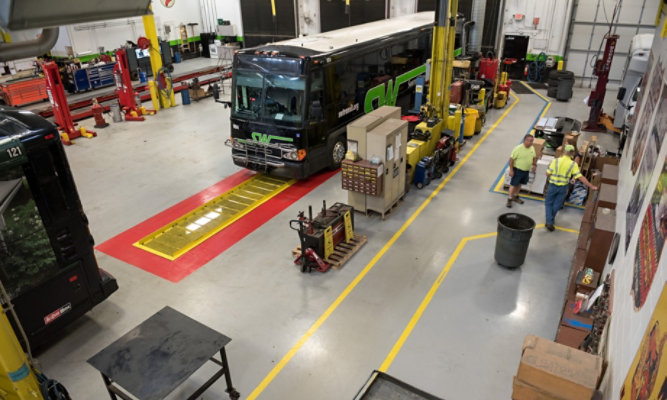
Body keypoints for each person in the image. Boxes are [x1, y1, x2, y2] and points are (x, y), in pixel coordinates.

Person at [545, 144, 598, 231]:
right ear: (572, 154)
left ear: (564, 151)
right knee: (557, 204)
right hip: (563, 188)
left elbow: (547, 173)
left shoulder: (556, 161)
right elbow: (580, 177)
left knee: (548, 203)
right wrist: (591, 186)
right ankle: (551, 219)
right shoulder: (573, 164)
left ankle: (549, 221)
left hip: (553, 186)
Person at [507, 134, 537, 208]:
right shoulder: (518, 148)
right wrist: (511, 170)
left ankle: (515, 196)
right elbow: (511, 160)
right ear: (525, 140)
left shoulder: (532, 148)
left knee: (520, 184)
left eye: (532, 141)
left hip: (526, 170)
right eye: (529, 141)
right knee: (513, 184)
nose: (530, 143)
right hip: (517, 170)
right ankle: (510, 199)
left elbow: (534, 157)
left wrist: (534, 165)